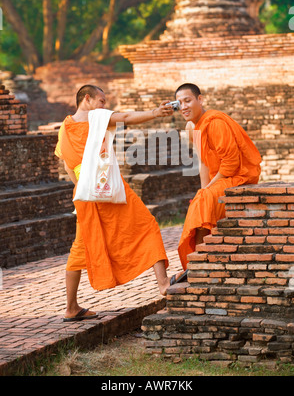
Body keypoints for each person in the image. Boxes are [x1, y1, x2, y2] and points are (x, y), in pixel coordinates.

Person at [55, 84, 183, 322]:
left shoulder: (65, 127)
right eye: (102, 100)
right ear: (87, 98)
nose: (105, 106)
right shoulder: (98, 117)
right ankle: (163, 283)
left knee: (80, 249)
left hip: (84, 192)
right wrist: (155, 113)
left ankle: (71, 307)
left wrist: (82, 189)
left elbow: (67, 166)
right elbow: (126, 117)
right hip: (106, 185)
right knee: (146, 225)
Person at [175, 83, 262, 272]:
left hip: (239, 176)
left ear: (200, 99)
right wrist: (205, 189)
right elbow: (203, 162)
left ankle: (196, 262)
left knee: (204, 200)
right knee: (202, 199)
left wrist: (209, 191)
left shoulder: (215, 122)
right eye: (179, 103)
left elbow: (231, 164)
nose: (183, 107)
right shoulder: (191, 127)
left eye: (188, 101)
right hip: (220, 178)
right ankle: (197, 261)